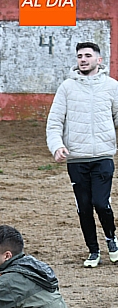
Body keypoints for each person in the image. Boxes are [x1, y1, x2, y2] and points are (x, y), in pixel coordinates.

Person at [46, 42, 118, 268]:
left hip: (104, 156)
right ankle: (93, 251)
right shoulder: (67, 87)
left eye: (88, 55)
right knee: (84, 206)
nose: (83, 59)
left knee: (101, 202)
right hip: (77, 158)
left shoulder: (112, 86)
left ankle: (111, 239)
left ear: (99, 59)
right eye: (80, 56)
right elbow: (55, 121)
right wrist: (57, 146)